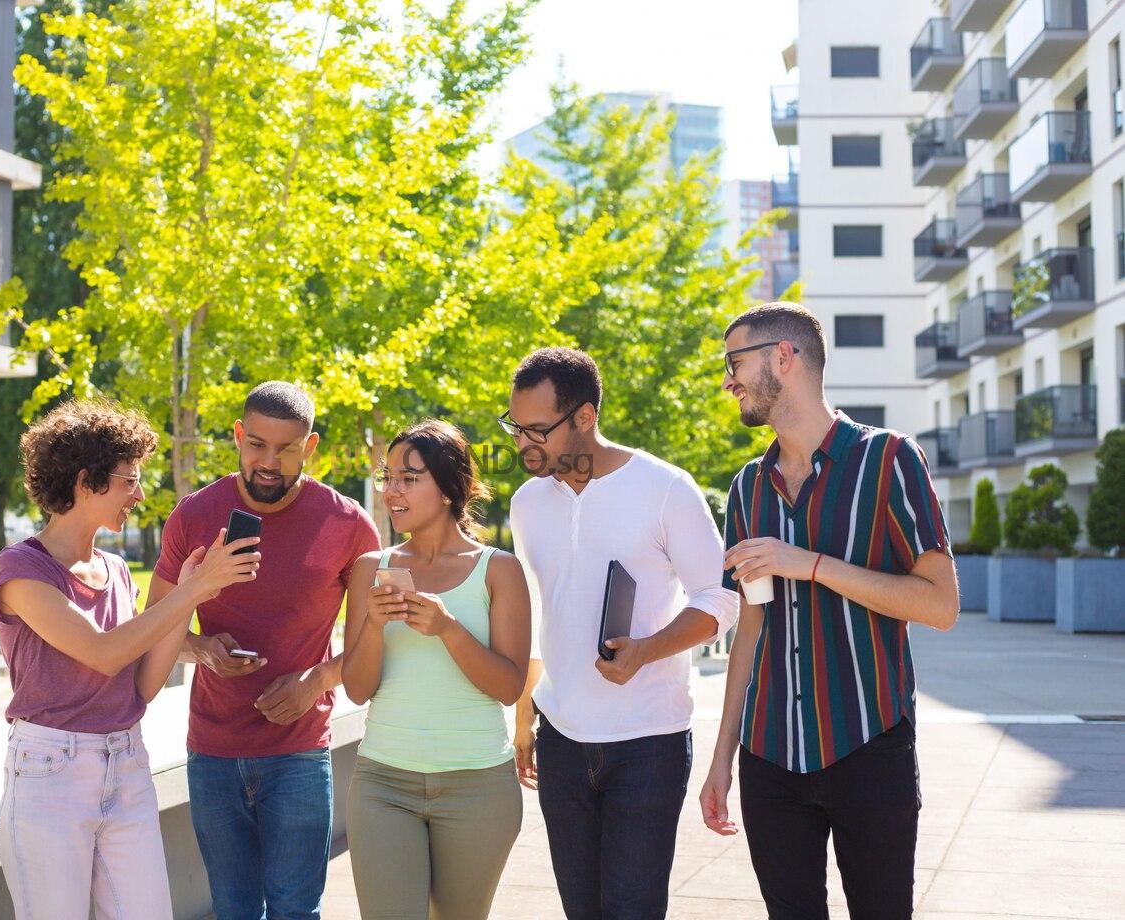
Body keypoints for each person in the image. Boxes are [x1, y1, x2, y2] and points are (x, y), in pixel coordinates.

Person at [702, 302, 960, 920]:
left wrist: (810, 563)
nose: (728, 380)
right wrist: (721, 760)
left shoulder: (891, 460)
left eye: (735, 362)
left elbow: (941, 605)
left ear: (782, 358)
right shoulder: (747, 487)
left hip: (869, 746)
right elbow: (752, 626)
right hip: (768, 758)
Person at [0, 399, 261, 920]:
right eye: (128, 480)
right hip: (50, 771)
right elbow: (102, 653)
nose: (138, 494)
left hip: (127, 762)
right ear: (86, 480)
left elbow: (141, 685)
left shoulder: (116, 569)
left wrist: (192, 594)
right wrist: (195, 589)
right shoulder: (21, 569)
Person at [506, 347, 739, 920]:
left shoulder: (665, 488)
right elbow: (537, 613)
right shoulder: (526, 503)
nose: (521, 445)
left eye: (537, 430)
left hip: (648, 743)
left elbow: (720, 597)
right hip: (559, 737)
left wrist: (648, 650)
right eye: (514, 428)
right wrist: (522, 722)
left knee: (631, 910)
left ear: (584, 417)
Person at [147, 381, 380, 920]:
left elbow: (376, 641)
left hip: (299, 752)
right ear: (237, 437)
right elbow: (152, 629)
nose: (269, 462)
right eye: (256, 445)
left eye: (287, 448)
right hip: (214, 749)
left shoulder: (347, 525)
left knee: (297, 910)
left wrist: (315, 682)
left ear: (311, 446)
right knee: (232, 909)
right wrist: (204, 648)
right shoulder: (195, 515)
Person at [341, 419, 532, 919]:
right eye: (389, 477)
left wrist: (448, 630)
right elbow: (357, 690)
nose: (392, 490)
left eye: (410, 477)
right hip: (384, 783)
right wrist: (375, 626)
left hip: (478, 789)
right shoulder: (369, 568)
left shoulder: (499, 570)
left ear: (449, 489)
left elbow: (509, 686)